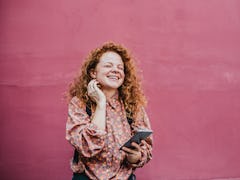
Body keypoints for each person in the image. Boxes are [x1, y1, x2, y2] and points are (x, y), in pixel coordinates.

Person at [66, 42, 153, 180]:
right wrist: (101, 104)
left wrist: (136, 157)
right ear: (93, 72)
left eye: (120, 67)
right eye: (108, 65)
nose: (115, 70)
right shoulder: (80, 103)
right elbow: (87, 147)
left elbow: (146, 147)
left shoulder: (133, 106)